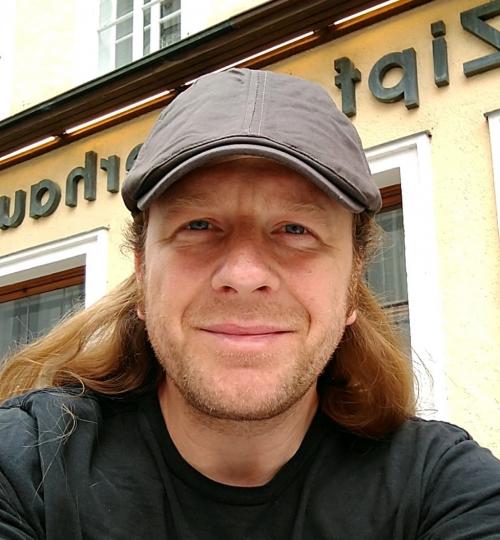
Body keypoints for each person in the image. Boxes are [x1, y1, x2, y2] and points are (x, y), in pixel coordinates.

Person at [0, 68, 498, 540]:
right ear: (143, 272)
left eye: (296, 229)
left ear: (353, 281)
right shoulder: (26, 468)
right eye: (198, 225)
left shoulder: (442, 487)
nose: (242, 276)